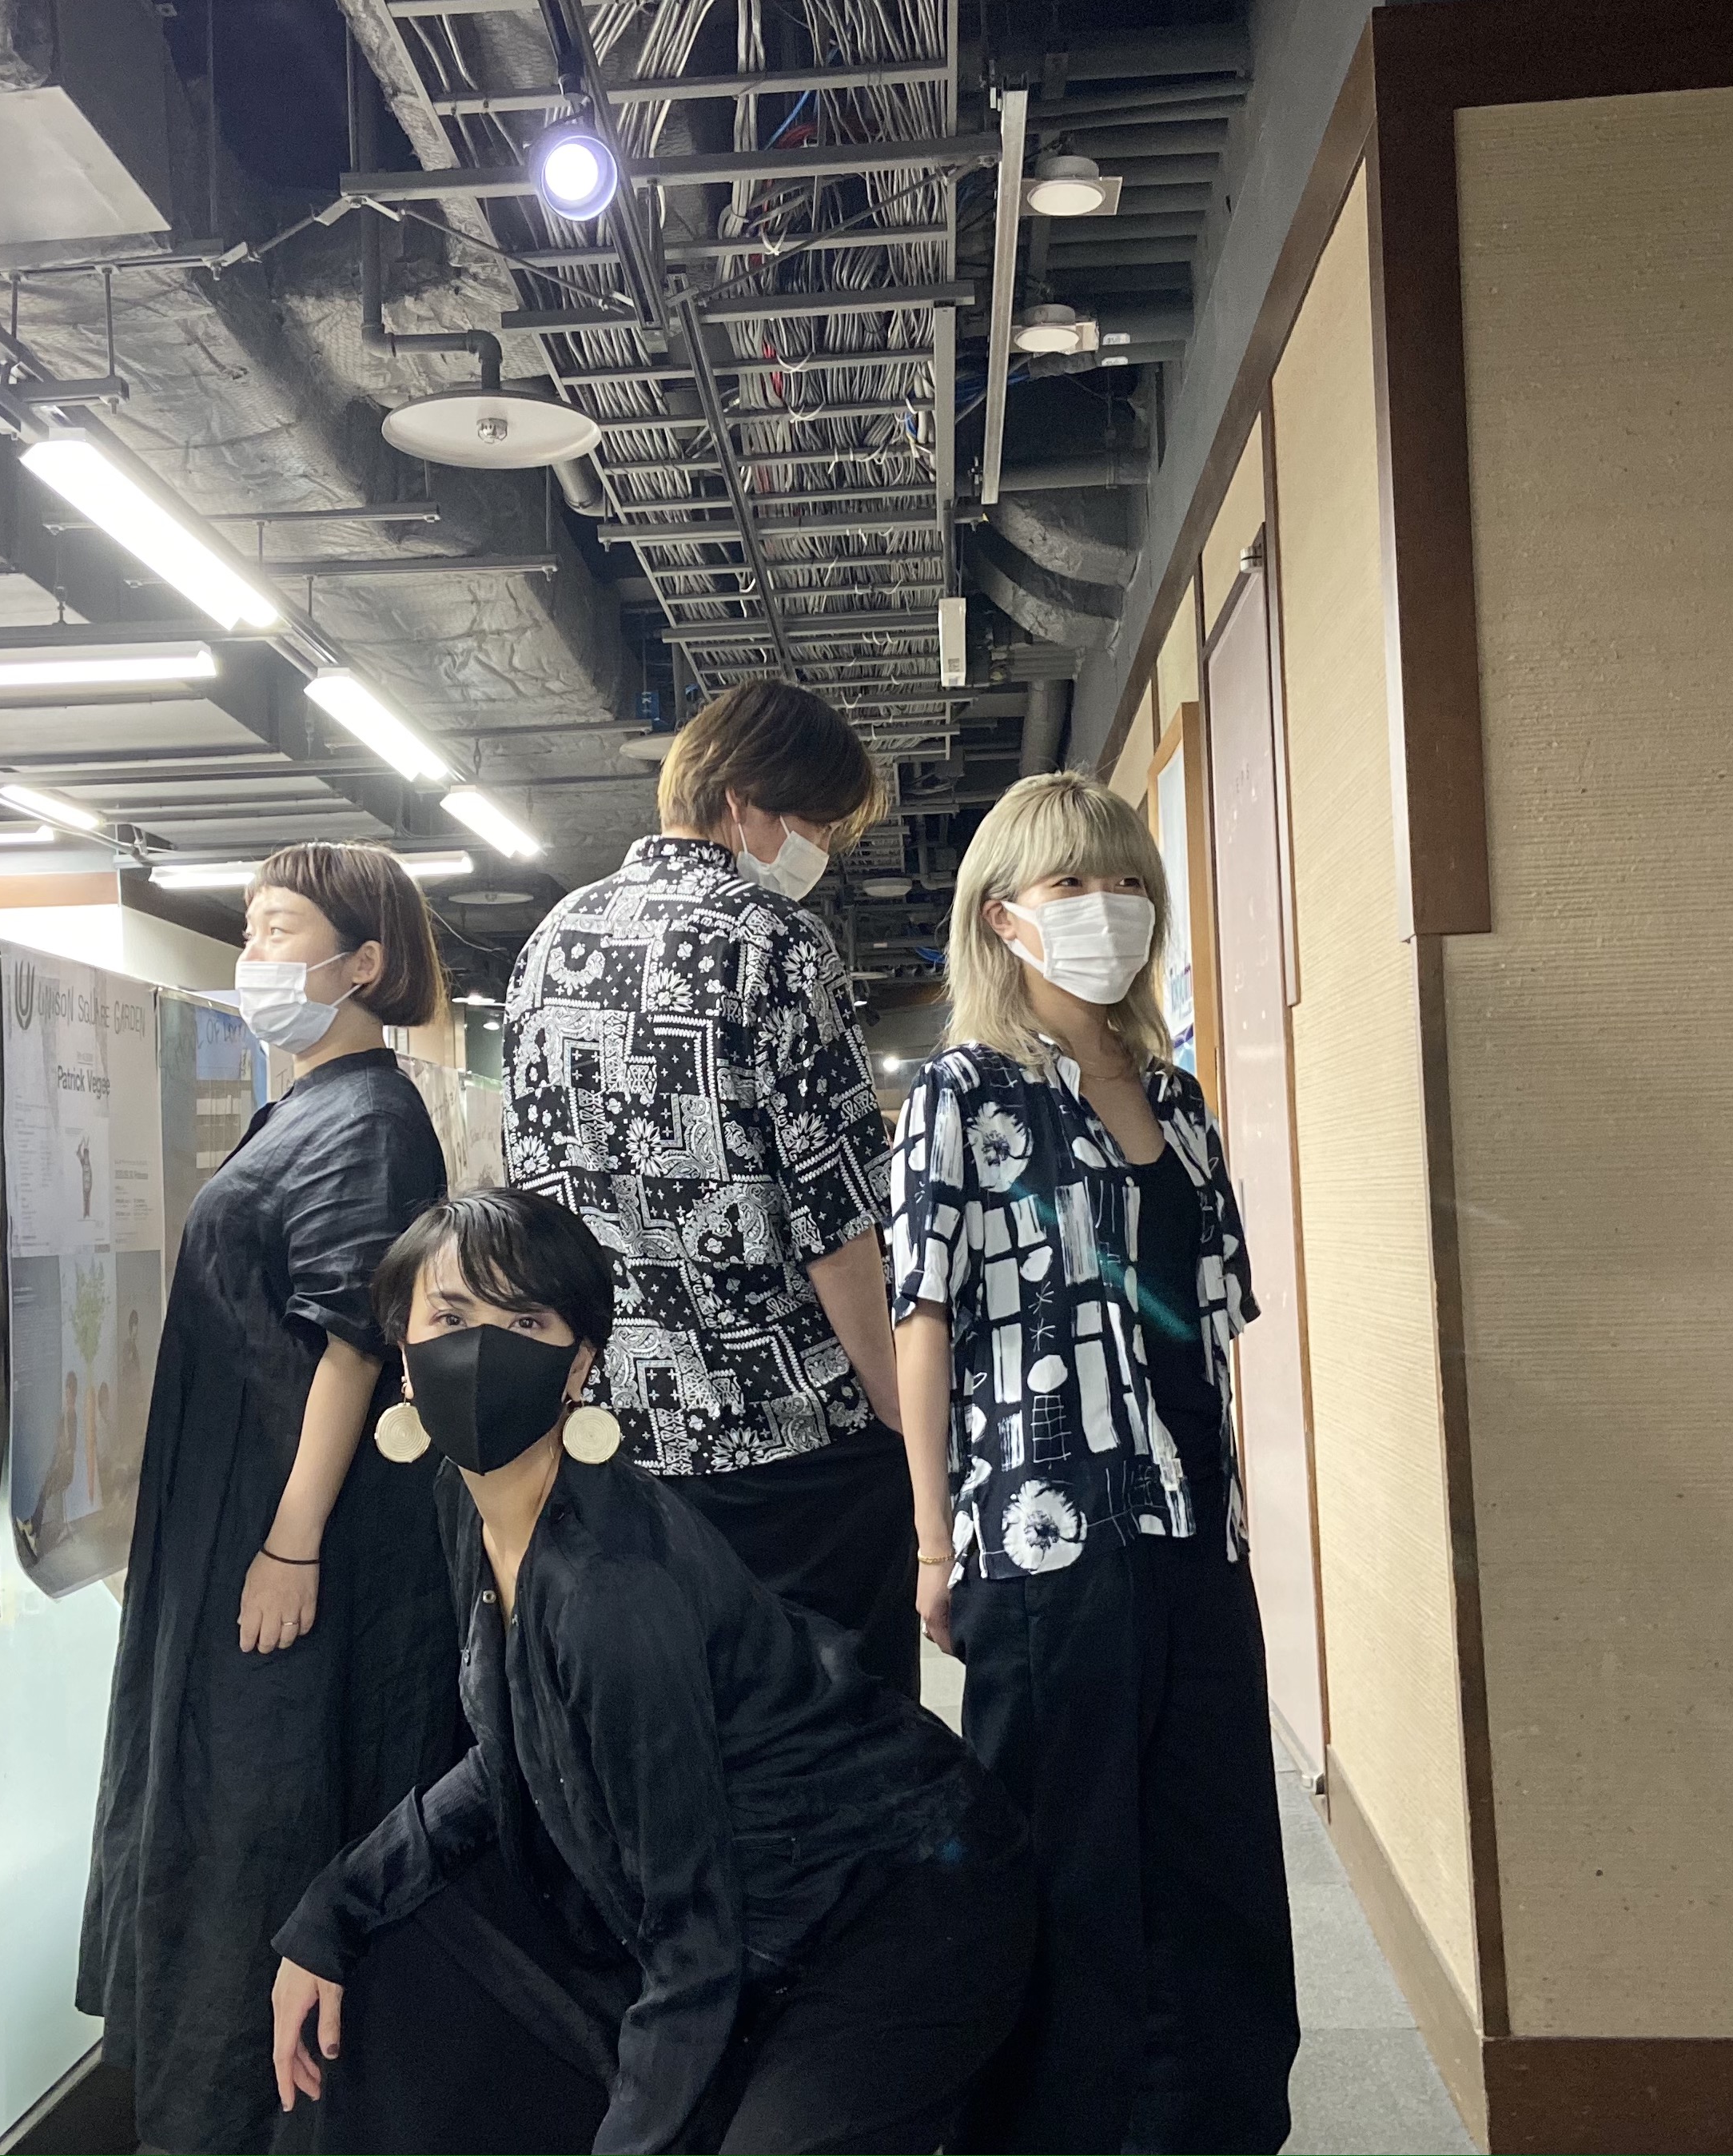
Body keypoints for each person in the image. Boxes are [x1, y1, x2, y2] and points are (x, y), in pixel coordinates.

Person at [268, 1188, 1036, 2156]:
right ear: (405, 1355)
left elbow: (692, 1935)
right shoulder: (467, 1505)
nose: (482, 1351)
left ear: (578, 1365)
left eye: (525, 1322)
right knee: (395, 1966)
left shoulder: (608, 1589)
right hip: (752, 1907)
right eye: (451, 1320)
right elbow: (513, 1751)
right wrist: (334, 1908)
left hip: (904, 1901)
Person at [889, 771, 1300, 2154]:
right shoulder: (962, 1094)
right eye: (1070, 883)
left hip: (1191, 1528)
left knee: (1211, 1856)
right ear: (1001, 915)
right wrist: (932, 1540)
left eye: (1127, 881)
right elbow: (923, 1322)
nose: (1104, 906)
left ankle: (1207, 2124)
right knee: (1062, 1866)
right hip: (1042, 1530)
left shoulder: (1176, 1098)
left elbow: (1212, 1320)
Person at [81, 842, 461, 2155]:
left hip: (307, 1544)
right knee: (227, 1809)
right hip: (240, 1521)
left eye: (281, 928)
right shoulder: (310, 1105)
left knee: (271, 1817)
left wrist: (290, 1544)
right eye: (247, 928)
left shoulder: (371, 1120)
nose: (254, 954)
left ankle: (262, 2116)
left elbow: (355, 1340)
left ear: (364, 962)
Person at [503, 679, 917, 1695]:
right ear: (742, 801)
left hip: (618, 1445)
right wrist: (897, 1406)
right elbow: (835, 1217)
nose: (819, 850)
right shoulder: (774, 942)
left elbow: (535, 1202)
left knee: (676, 1727)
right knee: (833, 1732)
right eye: (815, 823)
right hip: (793, 1443)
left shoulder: (548, 943)